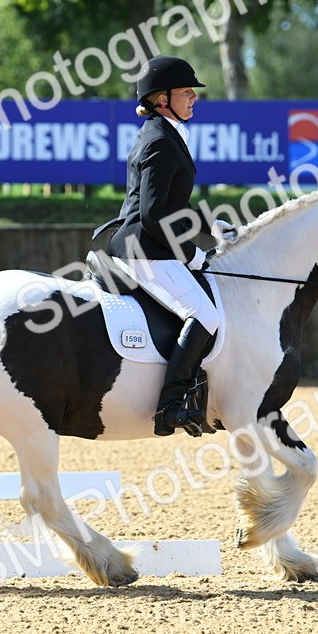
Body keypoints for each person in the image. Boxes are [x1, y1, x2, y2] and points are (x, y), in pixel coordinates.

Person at [104, 55, 232, 437]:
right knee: (207, 316)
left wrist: (211, 226)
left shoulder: (166, 133)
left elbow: (173, 204)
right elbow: (154, 215)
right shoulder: (161, 140)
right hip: (143, 247)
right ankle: (171, 405)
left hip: (148, 241)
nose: (194, 97)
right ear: (162, 99)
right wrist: (191, 252)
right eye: (186, 91)